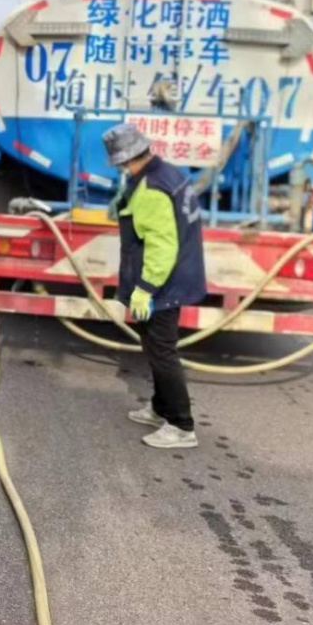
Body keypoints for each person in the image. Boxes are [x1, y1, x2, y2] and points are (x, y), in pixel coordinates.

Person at [102, 123, 207, 450]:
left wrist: (146, 287)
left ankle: (180, 425)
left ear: (124, 160)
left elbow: (161, 245)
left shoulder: (151, 188)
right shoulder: (167, 173)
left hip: (164, 283)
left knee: (162, 351)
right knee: (153, 346)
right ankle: (160, 407)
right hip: (174, 276)